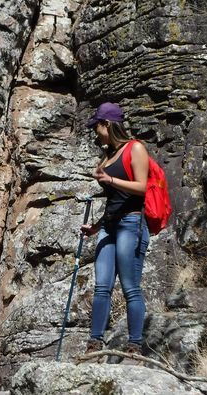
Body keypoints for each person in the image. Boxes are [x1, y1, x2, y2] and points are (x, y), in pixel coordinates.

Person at [81, 102, 150, 356]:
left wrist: (110, 179)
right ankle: (94, 344)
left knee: (130, 286)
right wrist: (95, 227)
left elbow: (142, 187)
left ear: (107, 124)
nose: (95, 132)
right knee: (102, 286)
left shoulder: (136, 149)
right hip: (109, 227)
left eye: (97, 126)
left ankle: (134, 346)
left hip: (132, 224)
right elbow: (114, 200)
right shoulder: (107, 156)